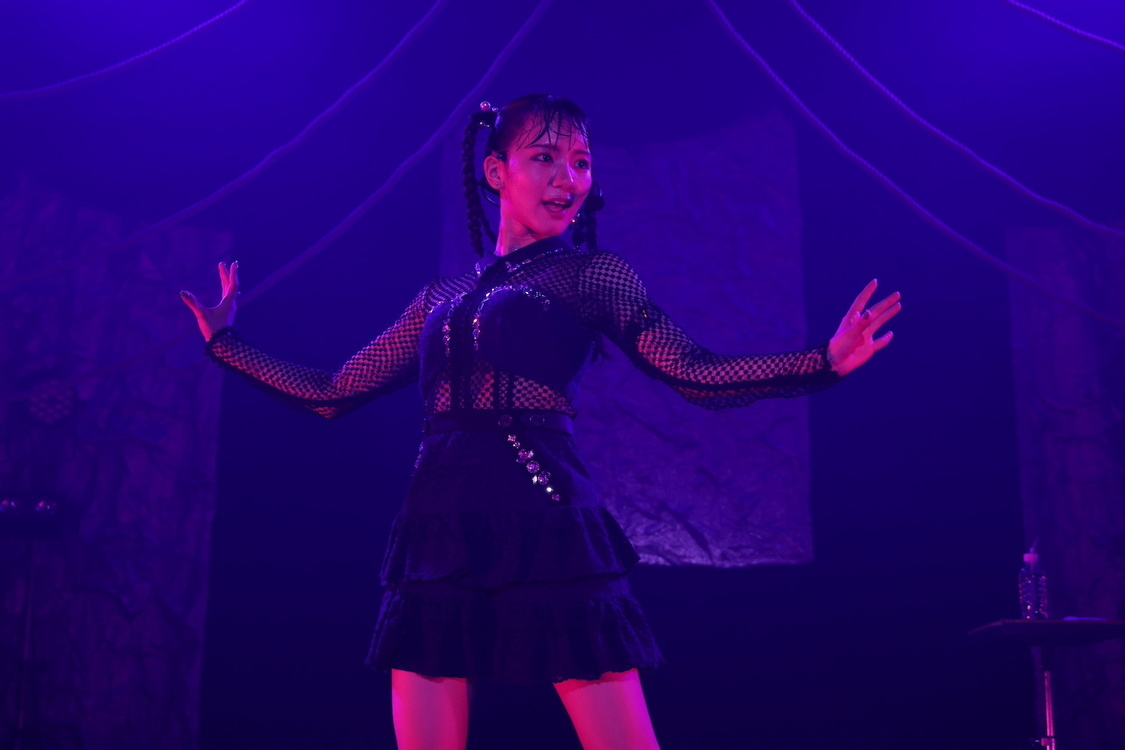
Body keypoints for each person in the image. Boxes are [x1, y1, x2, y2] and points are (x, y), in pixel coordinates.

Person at [181, 94, 901, 750]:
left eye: (581, 162)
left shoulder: (592, 276)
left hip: (546, 516)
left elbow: (692, 371)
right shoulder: (439, 296)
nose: (568, 178)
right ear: (497, 171)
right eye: (546, 158)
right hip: (439, 527)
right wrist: (224, 343)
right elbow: (333, 391)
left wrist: (822, 363)